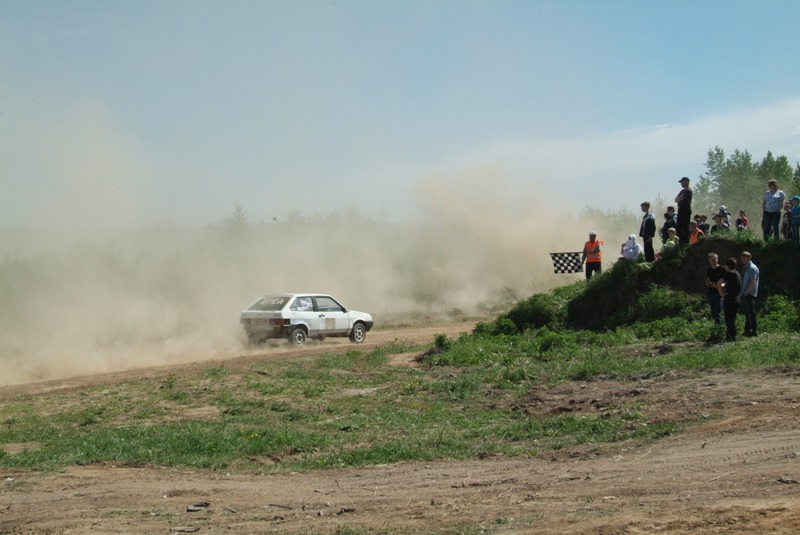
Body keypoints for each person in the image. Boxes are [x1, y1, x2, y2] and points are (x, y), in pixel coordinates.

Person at [718, 257, 742, 342]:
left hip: (730, 299)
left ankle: (731, 337)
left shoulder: (730, 273)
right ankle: (730, 336)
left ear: (727, 266)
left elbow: (719, 282)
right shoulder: (737, 273)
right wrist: (724, 286)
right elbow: (727, 284)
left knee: (728, 319)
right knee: (732, 318)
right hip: (736, 298)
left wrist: (721, 293)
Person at [739, 251, 759, 337]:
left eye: (745, 258)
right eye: (742, 258)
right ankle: (747, 330)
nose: (743, 260)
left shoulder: (751, 268)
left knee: (751, 313)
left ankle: (754, 331)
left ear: (749, 258)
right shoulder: (747, 267)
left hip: (749, 294)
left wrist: (745, 293)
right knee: (748, 313)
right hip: (747, 293)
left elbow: (753, 283)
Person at [705, 253, 726, 325]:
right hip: (711, 293)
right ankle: (720, 326)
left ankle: (719, 328)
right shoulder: (709, 270)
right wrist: (709, 283)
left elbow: (726, 282)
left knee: (717, 313)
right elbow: (707, 281)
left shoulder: (722, 269)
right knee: (714, 313)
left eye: (715, 260)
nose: (713, 262)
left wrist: (719, 285)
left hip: (719, 294)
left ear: (717, 259)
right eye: (712, 260)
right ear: (709, 261)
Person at [675, 177, 692, 244]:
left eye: (682, 182)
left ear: (686, 182)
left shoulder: (688, 191)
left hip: (686, 209)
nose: (681, 184)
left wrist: (679, 198)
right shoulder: (682, 191)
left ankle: (686, 242)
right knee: (679, 227)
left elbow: (680, 198)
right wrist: (679, 198)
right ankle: (681, 242)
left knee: (685, 226)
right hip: (680, 209)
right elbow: (676, 199)